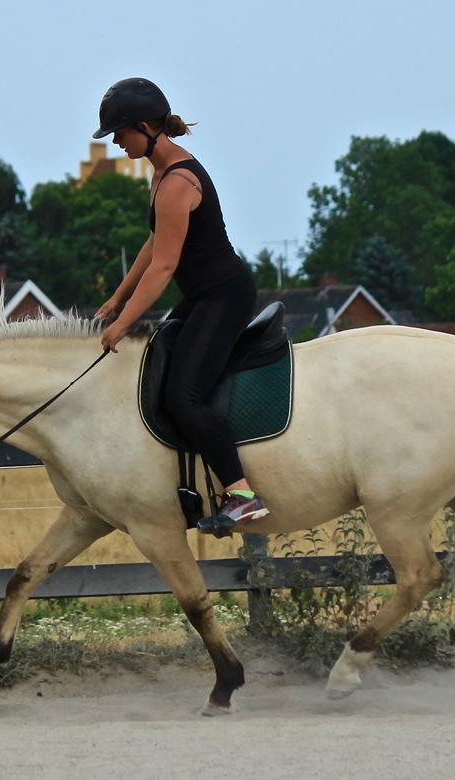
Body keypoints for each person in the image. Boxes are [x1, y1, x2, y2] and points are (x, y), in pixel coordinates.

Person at [92, 77, 268, 536]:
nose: (115, 142)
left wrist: (122, 325)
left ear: (146, 127)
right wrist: (118, 296)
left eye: (120, 132)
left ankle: (242, 495)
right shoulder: (161, 173)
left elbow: (165, 268)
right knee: (161, 361)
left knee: (182, 396)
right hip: (203, 296)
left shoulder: (178, 182)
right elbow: (154, 244)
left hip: (224, 295)